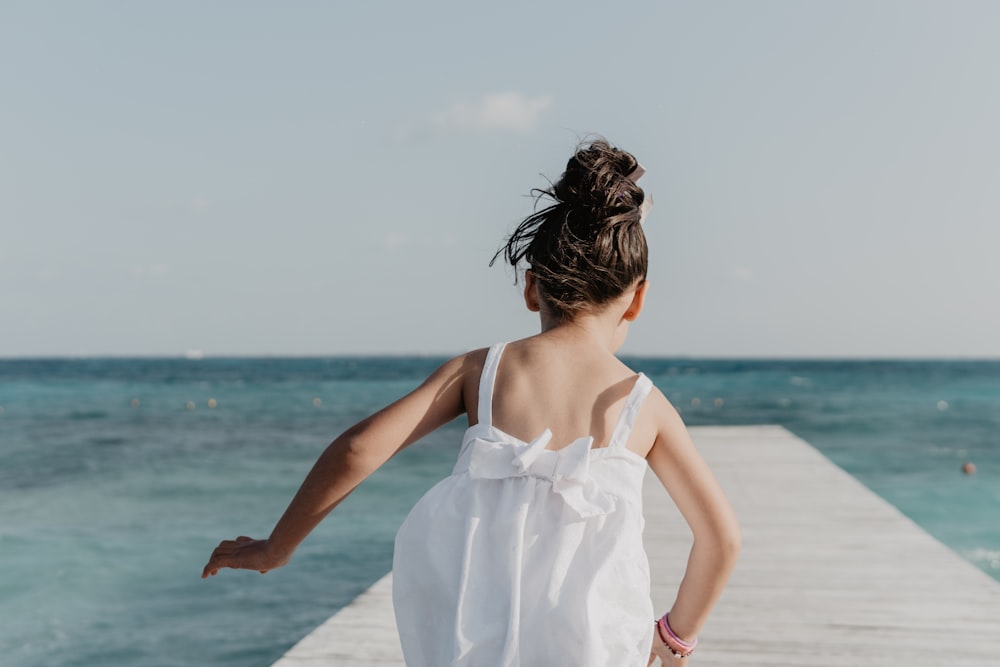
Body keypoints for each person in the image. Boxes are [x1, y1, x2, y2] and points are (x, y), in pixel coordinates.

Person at [203, 139, 741, 666]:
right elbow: (721, 540)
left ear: (533, 289)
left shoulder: (482, 371)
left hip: (470, 637)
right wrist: (673, 639)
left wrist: (277, 547)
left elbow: (359, 449)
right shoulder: (640, 403)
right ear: (639, 297)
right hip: (597, 647)